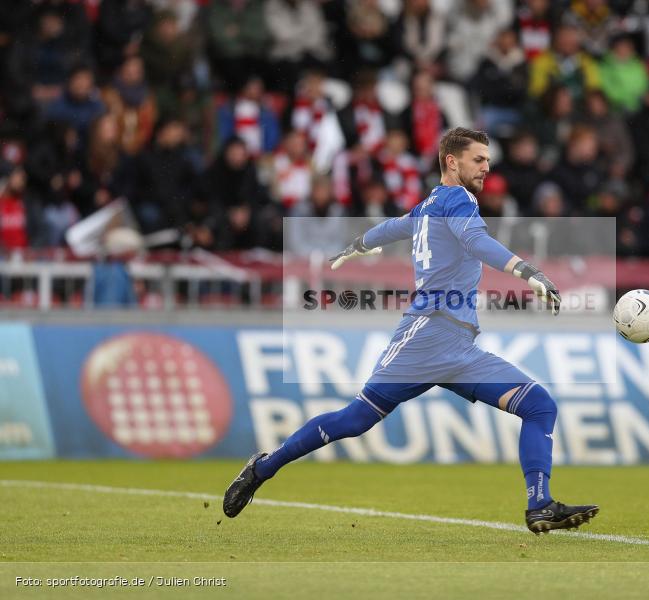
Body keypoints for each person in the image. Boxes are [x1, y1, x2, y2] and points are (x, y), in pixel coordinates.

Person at [224, 127, 599, 534]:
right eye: (478, 159)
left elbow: (395, 226)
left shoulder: (430, 205)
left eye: (488, 160)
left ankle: (540, 505)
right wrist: (526, 271)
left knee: (539, 405)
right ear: (451, 161)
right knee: (355, 420)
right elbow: (476, 241)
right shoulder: (457, 200)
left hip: (459, 347)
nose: (486, 168)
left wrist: (359, 244)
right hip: (425, 336)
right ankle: (263, 468)